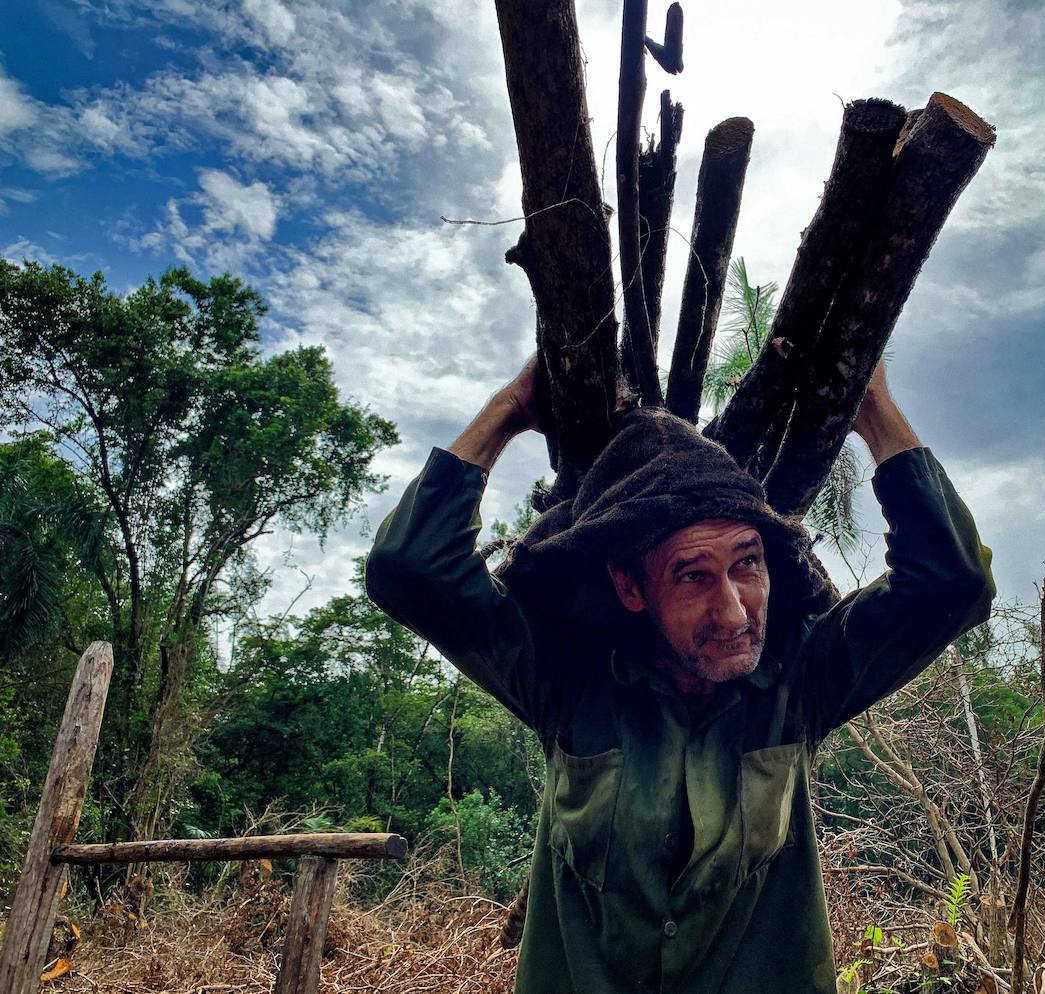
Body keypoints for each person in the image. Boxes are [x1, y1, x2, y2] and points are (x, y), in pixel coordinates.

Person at [365, 356, 994, 994]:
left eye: (747, 563)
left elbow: (953, 581)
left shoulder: (800, 679)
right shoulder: (569, 680)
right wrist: (510, 409)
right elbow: (410, 569)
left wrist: (875, 414)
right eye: (692, 576)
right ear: (630, 588)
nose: (733, 610)